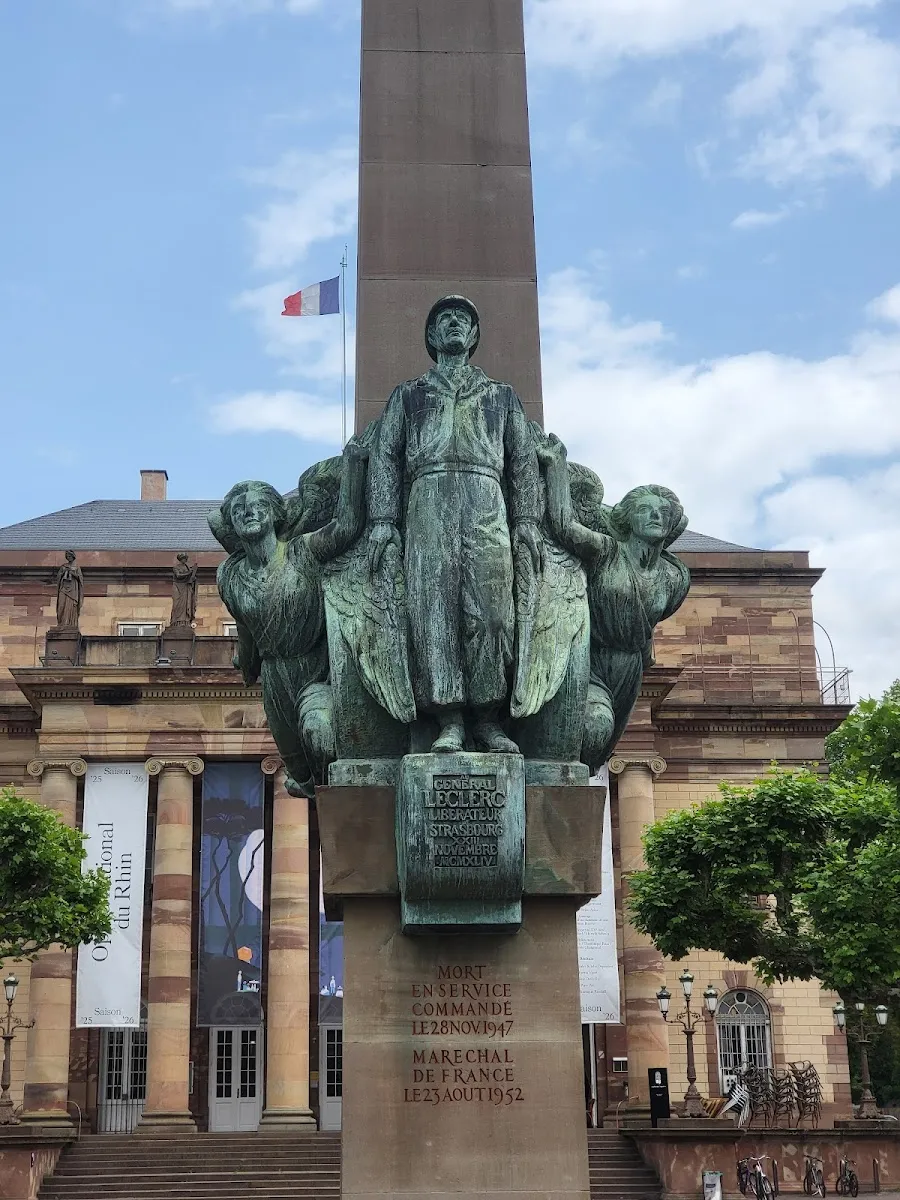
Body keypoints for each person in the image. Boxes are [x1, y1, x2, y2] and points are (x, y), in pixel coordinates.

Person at [367, 296, 542, 754]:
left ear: (474, 335)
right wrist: (384, 520)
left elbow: (523, 461)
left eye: (462, 319)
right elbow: (385, 457)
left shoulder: (500, 395)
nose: (453, 324)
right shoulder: (409, 395)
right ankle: (448, 720)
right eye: (444, 319)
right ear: (431, 336)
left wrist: (526, 520)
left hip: (486, 502)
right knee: (433, 612)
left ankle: (487, 717)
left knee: (493, 615)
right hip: (428, 501)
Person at [209, 438, 368, 796]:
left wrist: (355, 467)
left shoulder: (302, 551)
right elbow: (247, 629)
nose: (247, 512)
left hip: (318, 668)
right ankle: (332, 807)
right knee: (300, 774)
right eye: (238, 509)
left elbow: (346, 526)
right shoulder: (229, 575)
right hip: (274, 676)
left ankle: (349, 802)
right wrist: (246, 665)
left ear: (274, 513)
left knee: (319, 733)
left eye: (256, 505)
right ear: (231, 522)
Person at [538, 434, 690, 765]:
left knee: (597, 749)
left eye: (664, 511)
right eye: (645, 510)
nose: (655, 516)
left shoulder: (676, 578)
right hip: (589, 659)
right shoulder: (607, 551)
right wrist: (555, 468)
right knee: (595, 727)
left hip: (629, 670)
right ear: (626, 518)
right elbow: (563, 526)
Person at [55, 550, 83, 628]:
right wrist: (63, 572)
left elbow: (80, 578)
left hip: (73, 590)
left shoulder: (77, 567)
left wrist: (73, 574)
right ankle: (61, 622)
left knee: (71, 606)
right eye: (67, 557)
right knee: (61, 605)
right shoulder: (63, 566)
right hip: (63, 588)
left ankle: (69, 623)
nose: (69, 558)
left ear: (73, 557)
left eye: (70, 556)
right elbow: (58, 577)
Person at [170, 553, 198, 627]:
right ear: (180, 559)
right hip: (178, 586)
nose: (184, 560)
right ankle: (176, 621)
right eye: (183, 558)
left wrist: (193, 579)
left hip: (186, 588)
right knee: (177, 604)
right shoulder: (176, 567)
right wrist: (189, 573)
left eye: (185, 559)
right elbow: (178, 575)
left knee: (187, 603)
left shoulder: (187, 567)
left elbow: (191, 578)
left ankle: (185, 621)